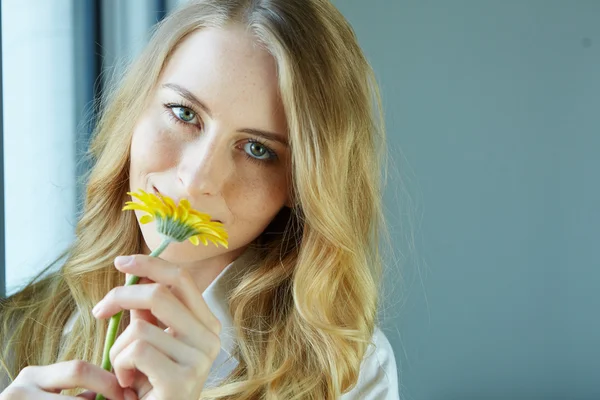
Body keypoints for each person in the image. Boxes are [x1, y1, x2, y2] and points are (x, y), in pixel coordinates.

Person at [0, 0, 399, 398]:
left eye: (257, 149)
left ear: (301, 185)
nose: (195, 181)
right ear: (135, 111)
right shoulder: (13, 335)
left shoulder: (348, 371)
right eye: (183, 113)